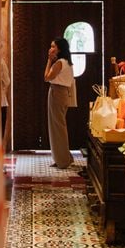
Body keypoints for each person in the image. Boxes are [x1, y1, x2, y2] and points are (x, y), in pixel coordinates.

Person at [44, 37, 74, 169]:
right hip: (62, 94)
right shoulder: (67, 62)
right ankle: (62, 157)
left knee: (57, 127)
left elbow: (46, 77)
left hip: (57, 93)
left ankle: (63, 160)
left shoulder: (59, 63)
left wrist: (49, 60)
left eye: (53, 46)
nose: (50, 49)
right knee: (58, 126)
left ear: (59, 49)